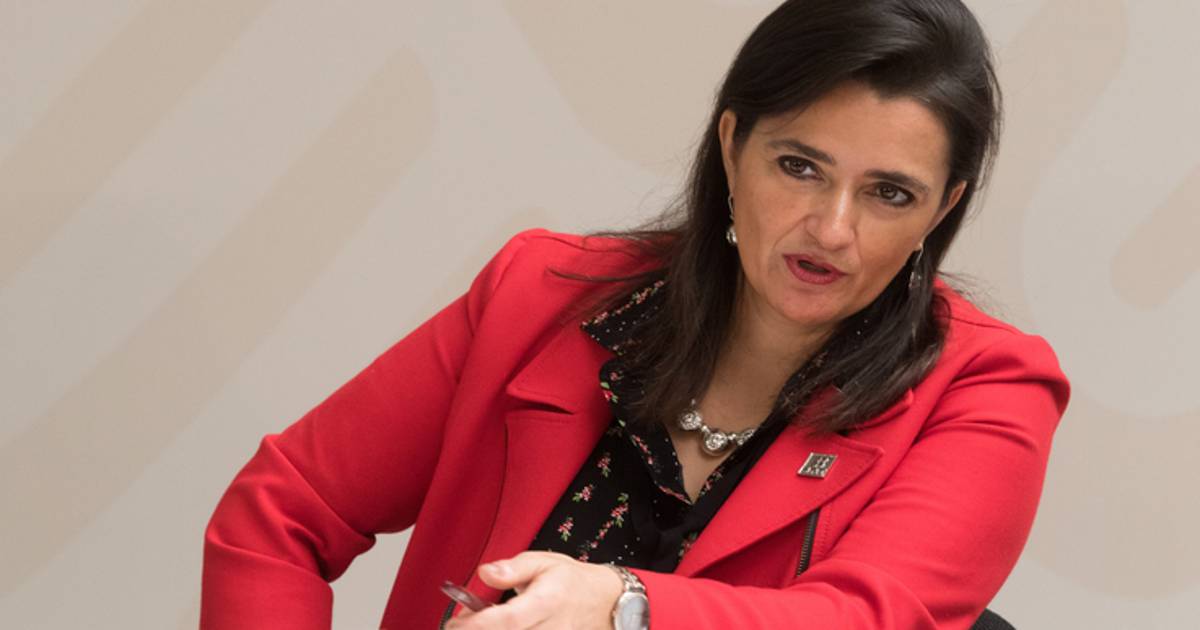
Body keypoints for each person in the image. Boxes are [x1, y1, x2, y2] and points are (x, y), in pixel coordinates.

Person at [200, 1, 1070, 628]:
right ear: (731, 146)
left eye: (889, 193)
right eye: (799, 167)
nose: (833, 229)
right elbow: (283, 512)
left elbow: (863, 620)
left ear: (943, 208)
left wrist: (625, 606)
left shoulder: (989, 386)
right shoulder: (540, 294)